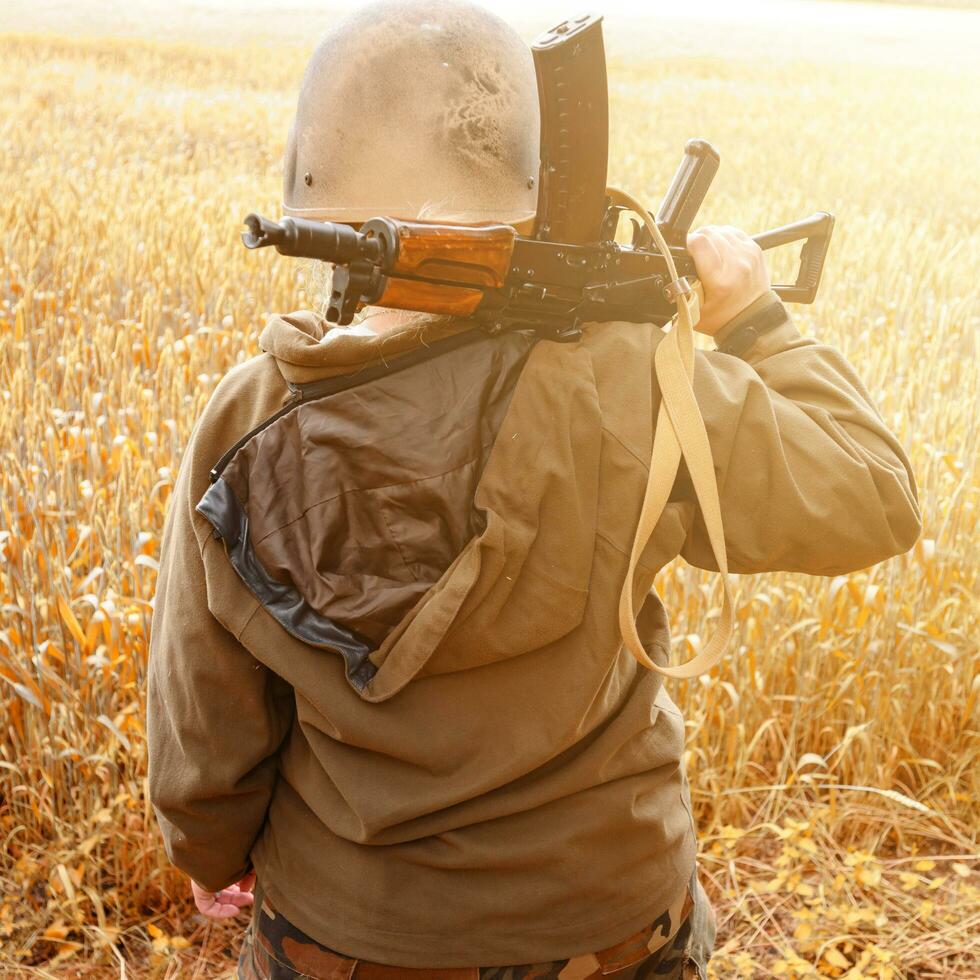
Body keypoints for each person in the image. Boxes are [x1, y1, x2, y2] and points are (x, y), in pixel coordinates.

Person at [145, 2, 922, 978]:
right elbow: (873, 492)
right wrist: (758, 321)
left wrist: (203, 852)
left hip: (350, 934)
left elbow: (205, 716)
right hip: (611, 913)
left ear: (323, 206)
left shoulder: (245, 420)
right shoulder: (641, 376)